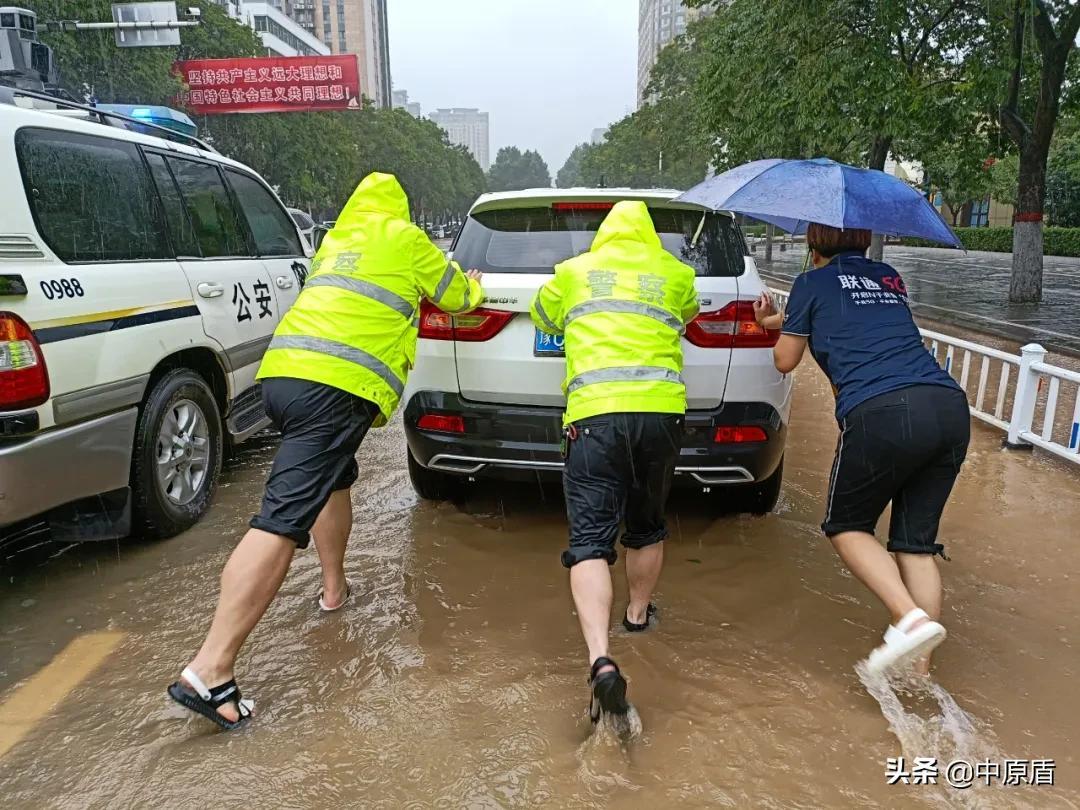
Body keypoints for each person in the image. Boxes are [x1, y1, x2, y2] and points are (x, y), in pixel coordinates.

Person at [167, 172, 483, 729]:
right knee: (280, 522)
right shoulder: (409, 240)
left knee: (334, 479)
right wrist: (474, 284)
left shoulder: (336, 241)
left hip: (283, 378)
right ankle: (210, 668)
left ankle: (333, 591)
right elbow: (458, 297)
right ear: (401, 209)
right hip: (334, 389)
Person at [753, 223, 969, 677]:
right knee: (915, 547)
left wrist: (779, 324)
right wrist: (775, 318)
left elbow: (785, 360)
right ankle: (919, 671)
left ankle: (908, 619)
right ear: (864, 240)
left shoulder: (812, 281)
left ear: (813, 246)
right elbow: (850, 316)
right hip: (948, 407)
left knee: (847, 526)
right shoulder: (889, 276)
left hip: (883, 409)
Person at [530, 200, 699, 722]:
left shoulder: (573, 272)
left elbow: (542, 313)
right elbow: (688, 314)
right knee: (647, 526)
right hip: (659, 415)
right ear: (649, 235)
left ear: (604, 234)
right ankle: (637, 616)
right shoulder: (676, 272)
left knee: (589, 542)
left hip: (594, 418)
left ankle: (600, 659)